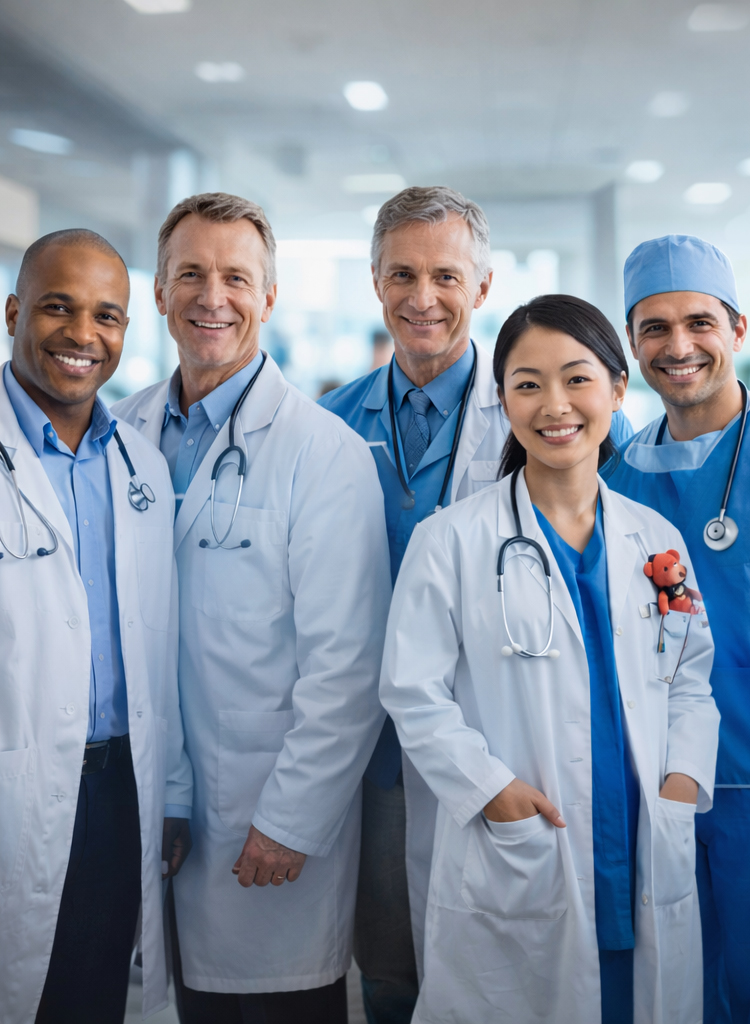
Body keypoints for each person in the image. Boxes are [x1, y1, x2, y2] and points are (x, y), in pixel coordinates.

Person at [380, 293, 719, 1022]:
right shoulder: (451, 541)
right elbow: (412, 694)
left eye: (577, 378)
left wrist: (684, 780)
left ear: (618, 389)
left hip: (642, 831)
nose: (554, 404)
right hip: (525, 840)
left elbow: (690, 677)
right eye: (527, 384)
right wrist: (491, 791)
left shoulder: (653, 537)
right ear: (502, 400)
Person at [114, 192, 392, 1022]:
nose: (213, 296)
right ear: (158, 292)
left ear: (269, 298)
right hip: (149, 808)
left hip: (262, 819)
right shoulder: (121, 435)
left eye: (237, 277)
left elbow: (348, 669)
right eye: (190, 274)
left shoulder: (324, 454)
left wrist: (290, 820)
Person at [319, 185, 511, 1023]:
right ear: (374, 281)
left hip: (494, 731)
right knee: (390, 967)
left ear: (483, 286)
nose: (422, 297)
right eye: (402, 273)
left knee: (499, 967)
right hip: (374, 752)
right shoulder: (326, 425)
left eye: (445, 275)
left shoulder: (530, 418)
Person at [0, 229, 191, 1022]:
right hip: (12, 788)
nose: (84, 335)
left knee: (91, 995)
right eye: (57, 307)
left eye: (107, 316)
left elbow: (157, 646)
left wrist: (170, 788)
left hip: (119, 794)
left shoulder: (141, 466)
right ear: (12, 313)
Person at [604, 234, 750, 1024]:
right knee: (675, 991)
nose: (679, 347)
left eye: (699, 323)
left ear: (737, 330)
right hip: (658, 777)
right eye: (654, 328)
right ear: (631, 346)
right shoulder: (612, 477)